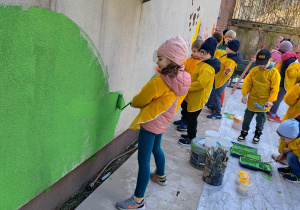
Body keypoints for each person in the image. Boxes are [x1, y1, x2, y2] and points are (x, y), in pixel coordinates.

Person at [116, 37, 191, 210]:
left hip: (151, 123)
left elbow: (143, 99)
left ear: (172, 61)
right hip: (164, 121)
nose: (157, 61)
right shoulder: (181, 78)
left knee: (143, 160)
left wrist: (134, 102)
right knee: (157, 149)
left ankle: (138, 200)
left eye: (160, 58)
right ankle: (161, 176)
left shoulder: (160, 81)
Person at [178, 37, 220, 145]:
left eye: (204, 53)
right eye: (201, 52)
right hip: (194, 96)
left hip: (198, 98)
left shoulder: (207, 67)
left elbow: (200, 84)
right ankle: (189, 134)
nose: (201, 54)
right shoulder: (204, 63)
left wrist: (187, 87)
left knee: (192, 120)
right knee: (190, 117)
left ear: (211, 54)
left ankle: (191, 138)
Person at [238, 49, 280, 143]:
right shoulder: (254, 71)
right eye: (260, 64)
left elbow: (275, 88)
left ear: (270, 60)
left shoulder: (274, 73)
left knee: (260, 120)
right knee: (247, 118)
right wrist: (244, 95)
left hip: (264, 102)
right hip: (252, 100)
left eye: (264, 64)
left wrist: (271, 100)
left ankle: (257, 134)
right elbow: (247, 82)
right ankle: (244, 132)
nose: (261, 66)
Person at [206, 39, 243, 119]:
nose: (226, 48)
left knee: (217, 96)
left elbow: (228, 73)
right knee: (214, 93)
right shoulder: (227, 55)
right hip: (217, 78)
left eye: (227, 47)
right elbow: (218, 54)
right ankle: (213, 106)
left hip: (221, 81)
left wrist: (227, 72)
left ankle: (218, 113)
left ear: (231, 49)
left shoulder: (231, 61)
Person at [268, 40, 300, 123]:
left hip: (281, 80)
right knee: (278, 99)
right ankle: (272, 114)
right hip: (284, 83)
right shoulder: (293, 61)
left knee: (277, 97)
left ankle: (270, 111)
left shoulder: (290, 57)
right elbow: (291, 73)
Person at [174, 39, 203, 131]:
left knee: (189, 107)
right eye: (194, 51)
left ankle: (187, 123)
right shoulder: (188, 60)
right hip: (185, 87)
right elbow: (182, 67)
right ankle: (183, 119)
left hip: (192, 88)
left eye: (198, 51)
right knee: (184, 105)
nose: (196, 54)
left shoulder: (201, 63)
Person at [272, 82, 300, 164]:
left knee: (288, 135)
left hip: (296, 116)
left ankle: (287, 157)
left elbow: (288, 100)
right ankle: (288, 157)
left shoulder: (299, 86)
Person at [276, 119, 300, 183]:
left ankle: (298, 175)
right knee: (290, 154)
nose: (282, 140)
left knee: (291, 155)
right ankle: (293, 168)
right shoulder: (292, 136)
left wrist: (291, 149)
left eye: (283, 139)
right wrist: (282, 152)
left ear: (293, 137)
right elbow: (283, 143)